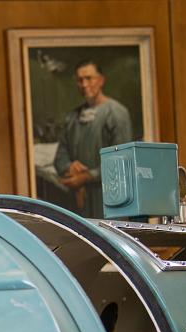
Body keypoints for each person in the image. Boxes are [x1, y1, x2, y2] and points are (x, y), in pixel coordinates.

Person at [53, 60, 133, 217]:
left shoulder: (116, 113)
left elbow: (122, 161)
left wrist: (87, 176)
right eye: (79, 80)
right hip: (79, 205)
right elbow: (60, 157)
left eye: (89, 78)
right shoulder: (72, 118)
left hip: (110, 202)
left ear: (101, 80)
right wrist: (70, 167)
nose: (84, 84)